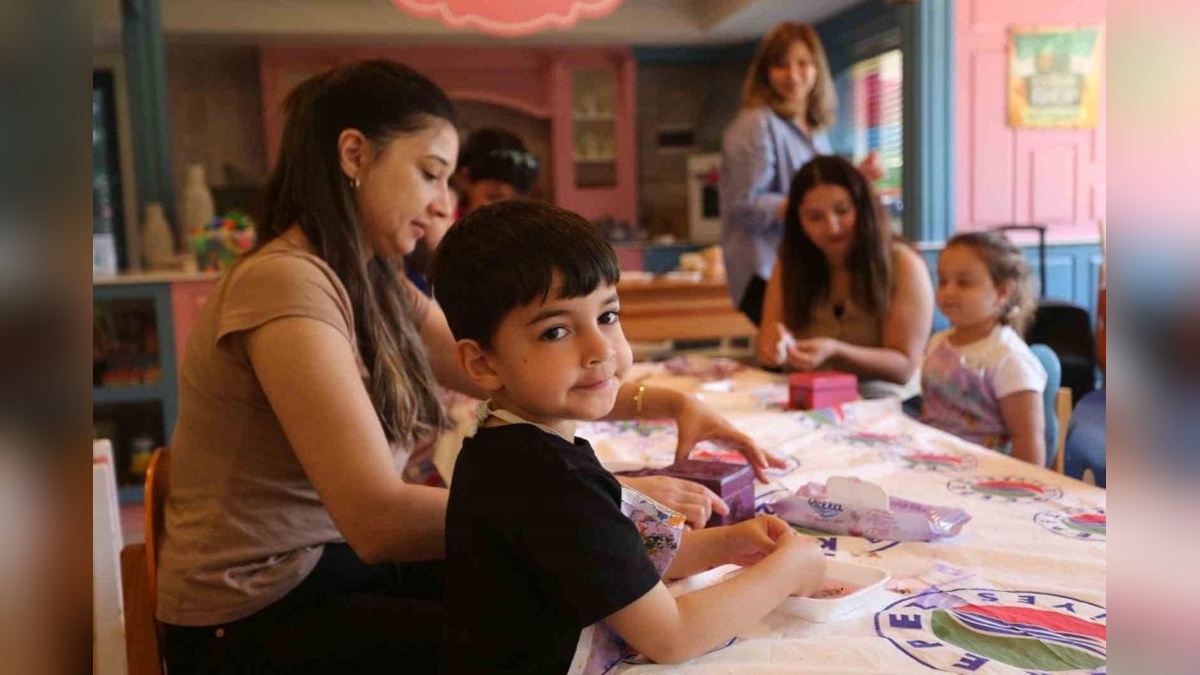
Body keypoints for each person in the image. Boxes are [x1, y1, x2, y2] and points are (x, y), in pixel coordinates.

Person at [154, 59, 769, 675]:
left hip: (332, 564)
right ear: (354, 155)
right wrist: (605, 501)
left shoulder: (374, 279)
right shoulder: (286, 282)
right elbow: (377, 520)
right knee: (558, 646)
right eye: (430, 174)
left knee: (569, 603)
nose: (444, 204)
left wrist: (671, 404)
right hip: (254, 613)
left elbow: (515, 364)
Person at [432, 199, 828, 674]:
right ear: (482, 363)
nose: (600, 349)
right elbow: (673, 635)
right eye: (556, 331)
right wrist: (787, 572)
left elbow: (607, 565)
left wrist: (725, 544)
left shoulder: (505, 439)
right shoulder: (552, 482)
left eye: (607, 316)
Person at [720, 21, 884, 325]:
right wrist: (806, 206)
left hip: (801, 263)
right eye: (781, 64)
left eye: (803, 63)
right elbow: (744, 205)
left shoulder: (814, 128)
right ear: (765, 72)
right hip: (765, 268)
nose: (793, 75)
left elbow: (818, 186)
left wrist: (852, 178)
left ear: (817, 68)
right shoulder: (756, 124)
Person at [756, 155, 933, 407]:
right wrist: (772, 348)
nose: (832, 226)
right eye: (814, 217)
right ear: (798, 222)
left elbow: (903, 366)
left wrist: (836, 350)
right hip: (808, 400)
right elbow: (767, 349)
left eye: (842, 210)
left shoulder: (903, 265)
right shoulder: (788, 266)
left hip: (884, 404)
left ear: (862, 208)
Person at [920, 231, 1047, 466]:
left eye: (964, 283)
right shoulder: (939, 342)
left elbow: (1028, 440)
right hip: (932, 464)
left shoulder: (1008, 358)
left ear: (1002, 292)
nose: (948, 291)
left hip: (984, 477)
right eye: (943, 281)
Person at [403, 126, 538, 294]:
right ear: (464, 179)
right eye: (493, 197)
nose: (504, 211)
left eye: (514, 203)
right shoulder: (443, 215)